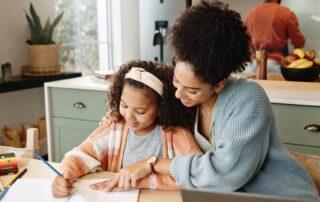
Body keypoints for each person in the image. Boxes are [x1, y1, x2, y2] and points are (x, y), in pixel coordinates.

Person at [93, 1, 319, 200]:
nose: (179, 95)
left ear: (219, 84)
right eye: (176, 82)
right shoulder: (185, 99)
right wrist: (118, 115)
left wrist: (152, 163)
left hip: (278, 196)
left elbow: (226, 174)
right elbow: (148, 113)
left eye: (191, 90)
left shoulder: (249, 98)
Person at [51, 60, 202, 197]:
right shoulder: (115, 127)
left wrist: (137, 181)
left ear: (161, 108)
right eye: (124, 105)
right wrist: (65, 175)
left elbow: (198, 174)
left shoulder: (175, 133)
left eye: (140, 111)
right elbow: (81, 154)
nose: (129, 117)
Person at [245, 0, 305, 73]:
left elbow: (246, 42)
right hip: (277, 64)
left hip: (256, 64)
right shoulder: (285, 13)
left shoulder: (251, 14)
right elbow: (299, 43)